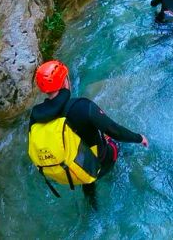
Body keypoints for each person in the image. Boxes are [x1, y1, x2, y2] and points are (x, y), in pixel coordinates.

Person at [29, 60, 148, 209]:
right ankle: (139, 187)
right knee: (122, 149)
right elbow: (115, 131)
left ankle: (92, 204)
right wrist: (139, 138)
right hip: (101, 162)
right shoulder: (81, 106)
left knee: (88, 175)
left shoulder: (36, 115)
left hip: (69, 168)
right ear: (65, 81)